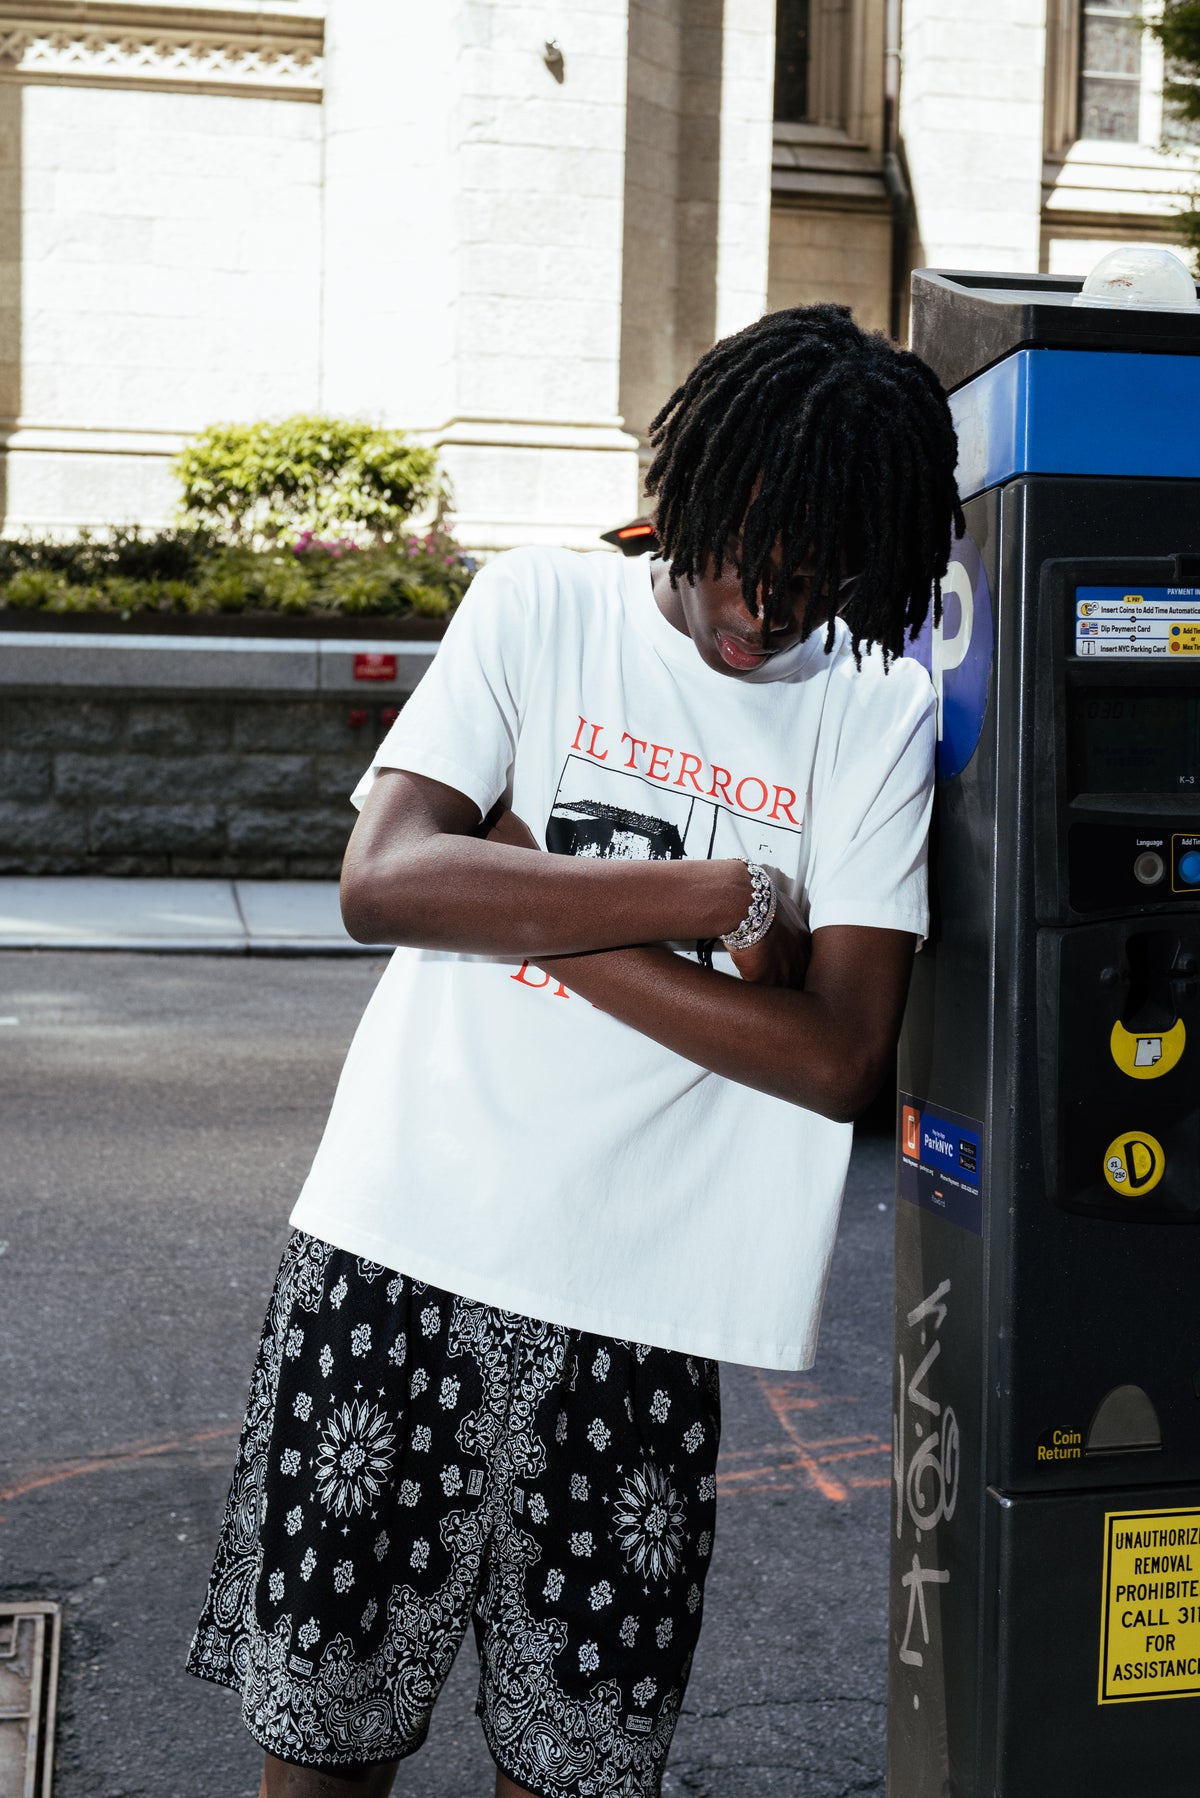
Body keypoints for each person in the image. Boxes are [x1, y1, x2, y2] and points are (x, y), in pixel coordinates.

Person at [186, 303, 962, 1798]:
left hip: (645, 1313)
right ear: (695, 484)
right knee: (324, 1753)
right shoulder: (542, 606)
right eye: (752, 548)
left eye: (823, 572)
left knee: (578, 1769)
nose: (771, 601)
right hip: (396, 1252)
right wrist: (713, 895)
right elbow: (386, 882)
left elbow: (834, 1057)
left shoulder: (875, 712)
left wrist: (525, 895)